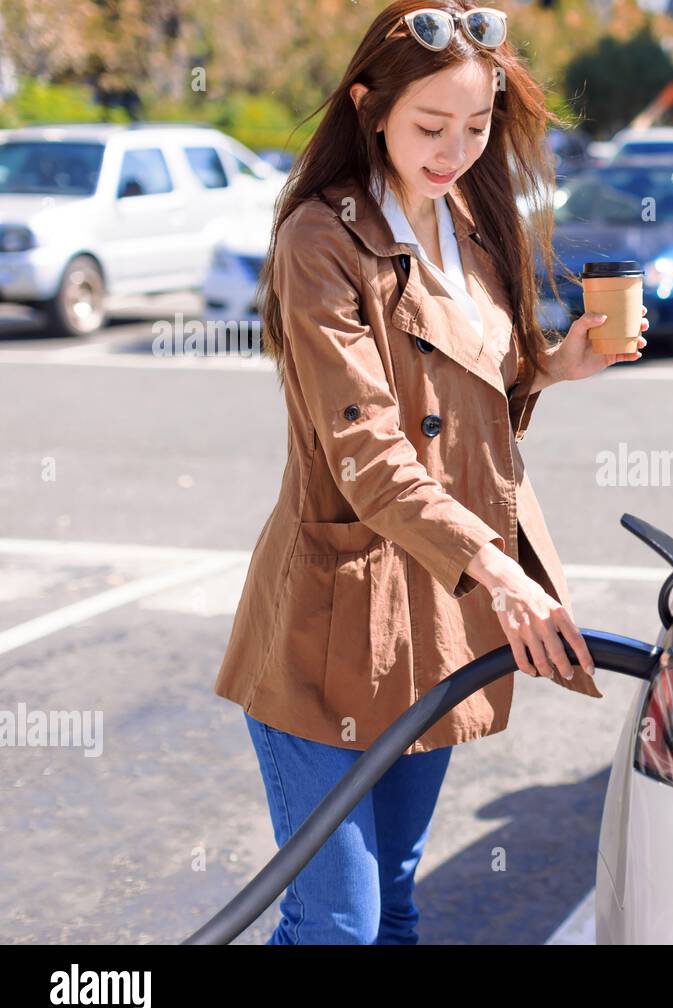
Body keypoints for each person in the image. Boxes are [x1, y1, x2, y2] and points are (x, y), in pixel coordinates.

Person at [210, 0, 650, 944]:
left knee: (399, 898)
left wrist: (551, 365)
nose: (456, 150)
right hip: (329, 630)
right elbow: (370, 453)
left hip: (434, 621)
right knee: (339, 922)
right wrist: (503, 575)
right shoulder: (319, 242)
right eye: (431, 126)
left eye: (479, 126)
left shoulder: (474, 227)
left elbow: (466, 397)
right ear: (370, 106)